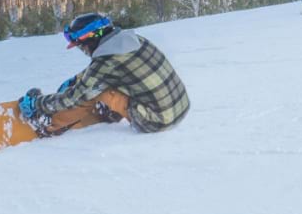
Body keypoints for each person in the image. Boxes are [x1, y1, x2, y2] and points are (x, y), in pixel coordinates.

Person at [17, 13, 190, 136]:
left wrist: (38, 104)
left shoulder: (106, 61)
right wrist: (77, 79)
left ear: (90, 40)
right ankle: (110, 111)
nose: (83, 50)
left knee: (97, 91)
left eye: (81, 45)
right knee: (105, 82)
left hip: (156, 121)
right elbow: (106, 71)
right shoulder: (133, 41)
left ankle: (49, 125)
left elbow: (75, 97)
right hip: (178, 107)